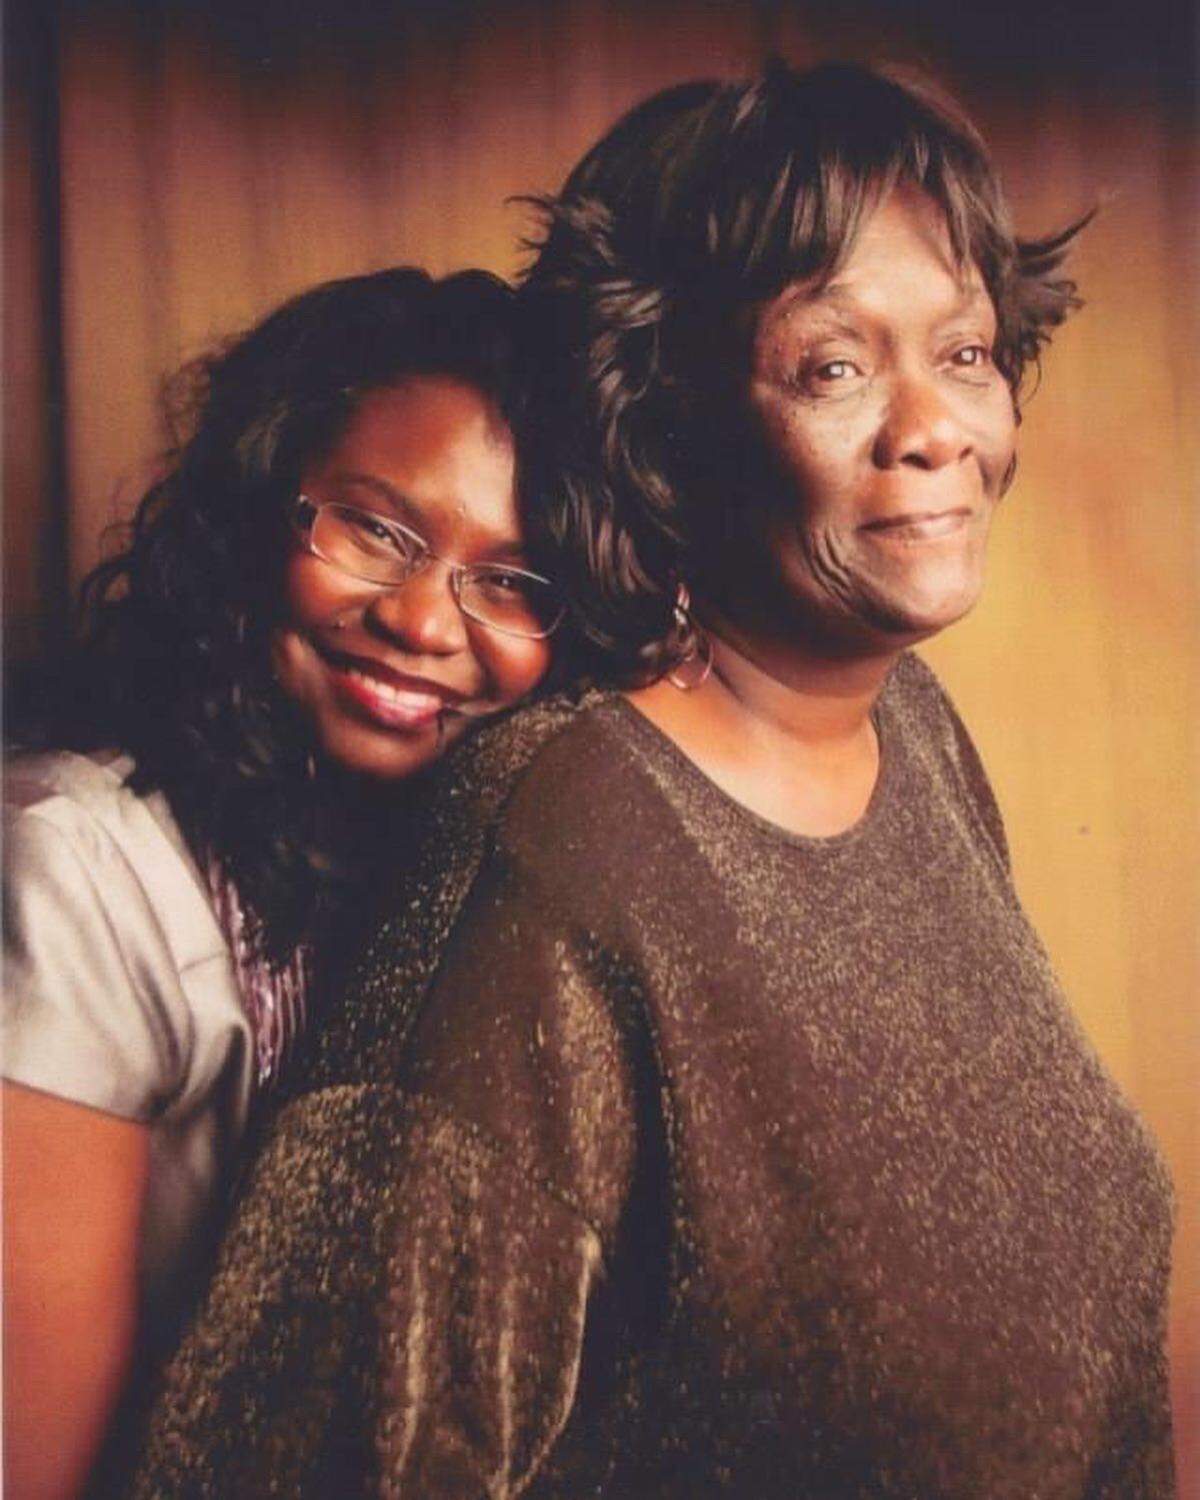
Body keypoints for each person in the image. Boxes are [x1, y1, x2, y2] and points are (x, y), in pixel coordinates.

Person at [130, 64, 1175, 1498]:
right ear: (665, 427)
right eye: (836, 365)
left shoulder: (915, 738)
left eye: (969, 352)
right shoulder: (569, 836)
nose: (935, 426)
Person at [2, 266, 561, 1500]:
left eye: (513, 582)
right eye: (376, 528)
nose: (424, 619)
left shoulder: (496, 889)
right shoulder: (75, 868)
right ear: (260, 510)